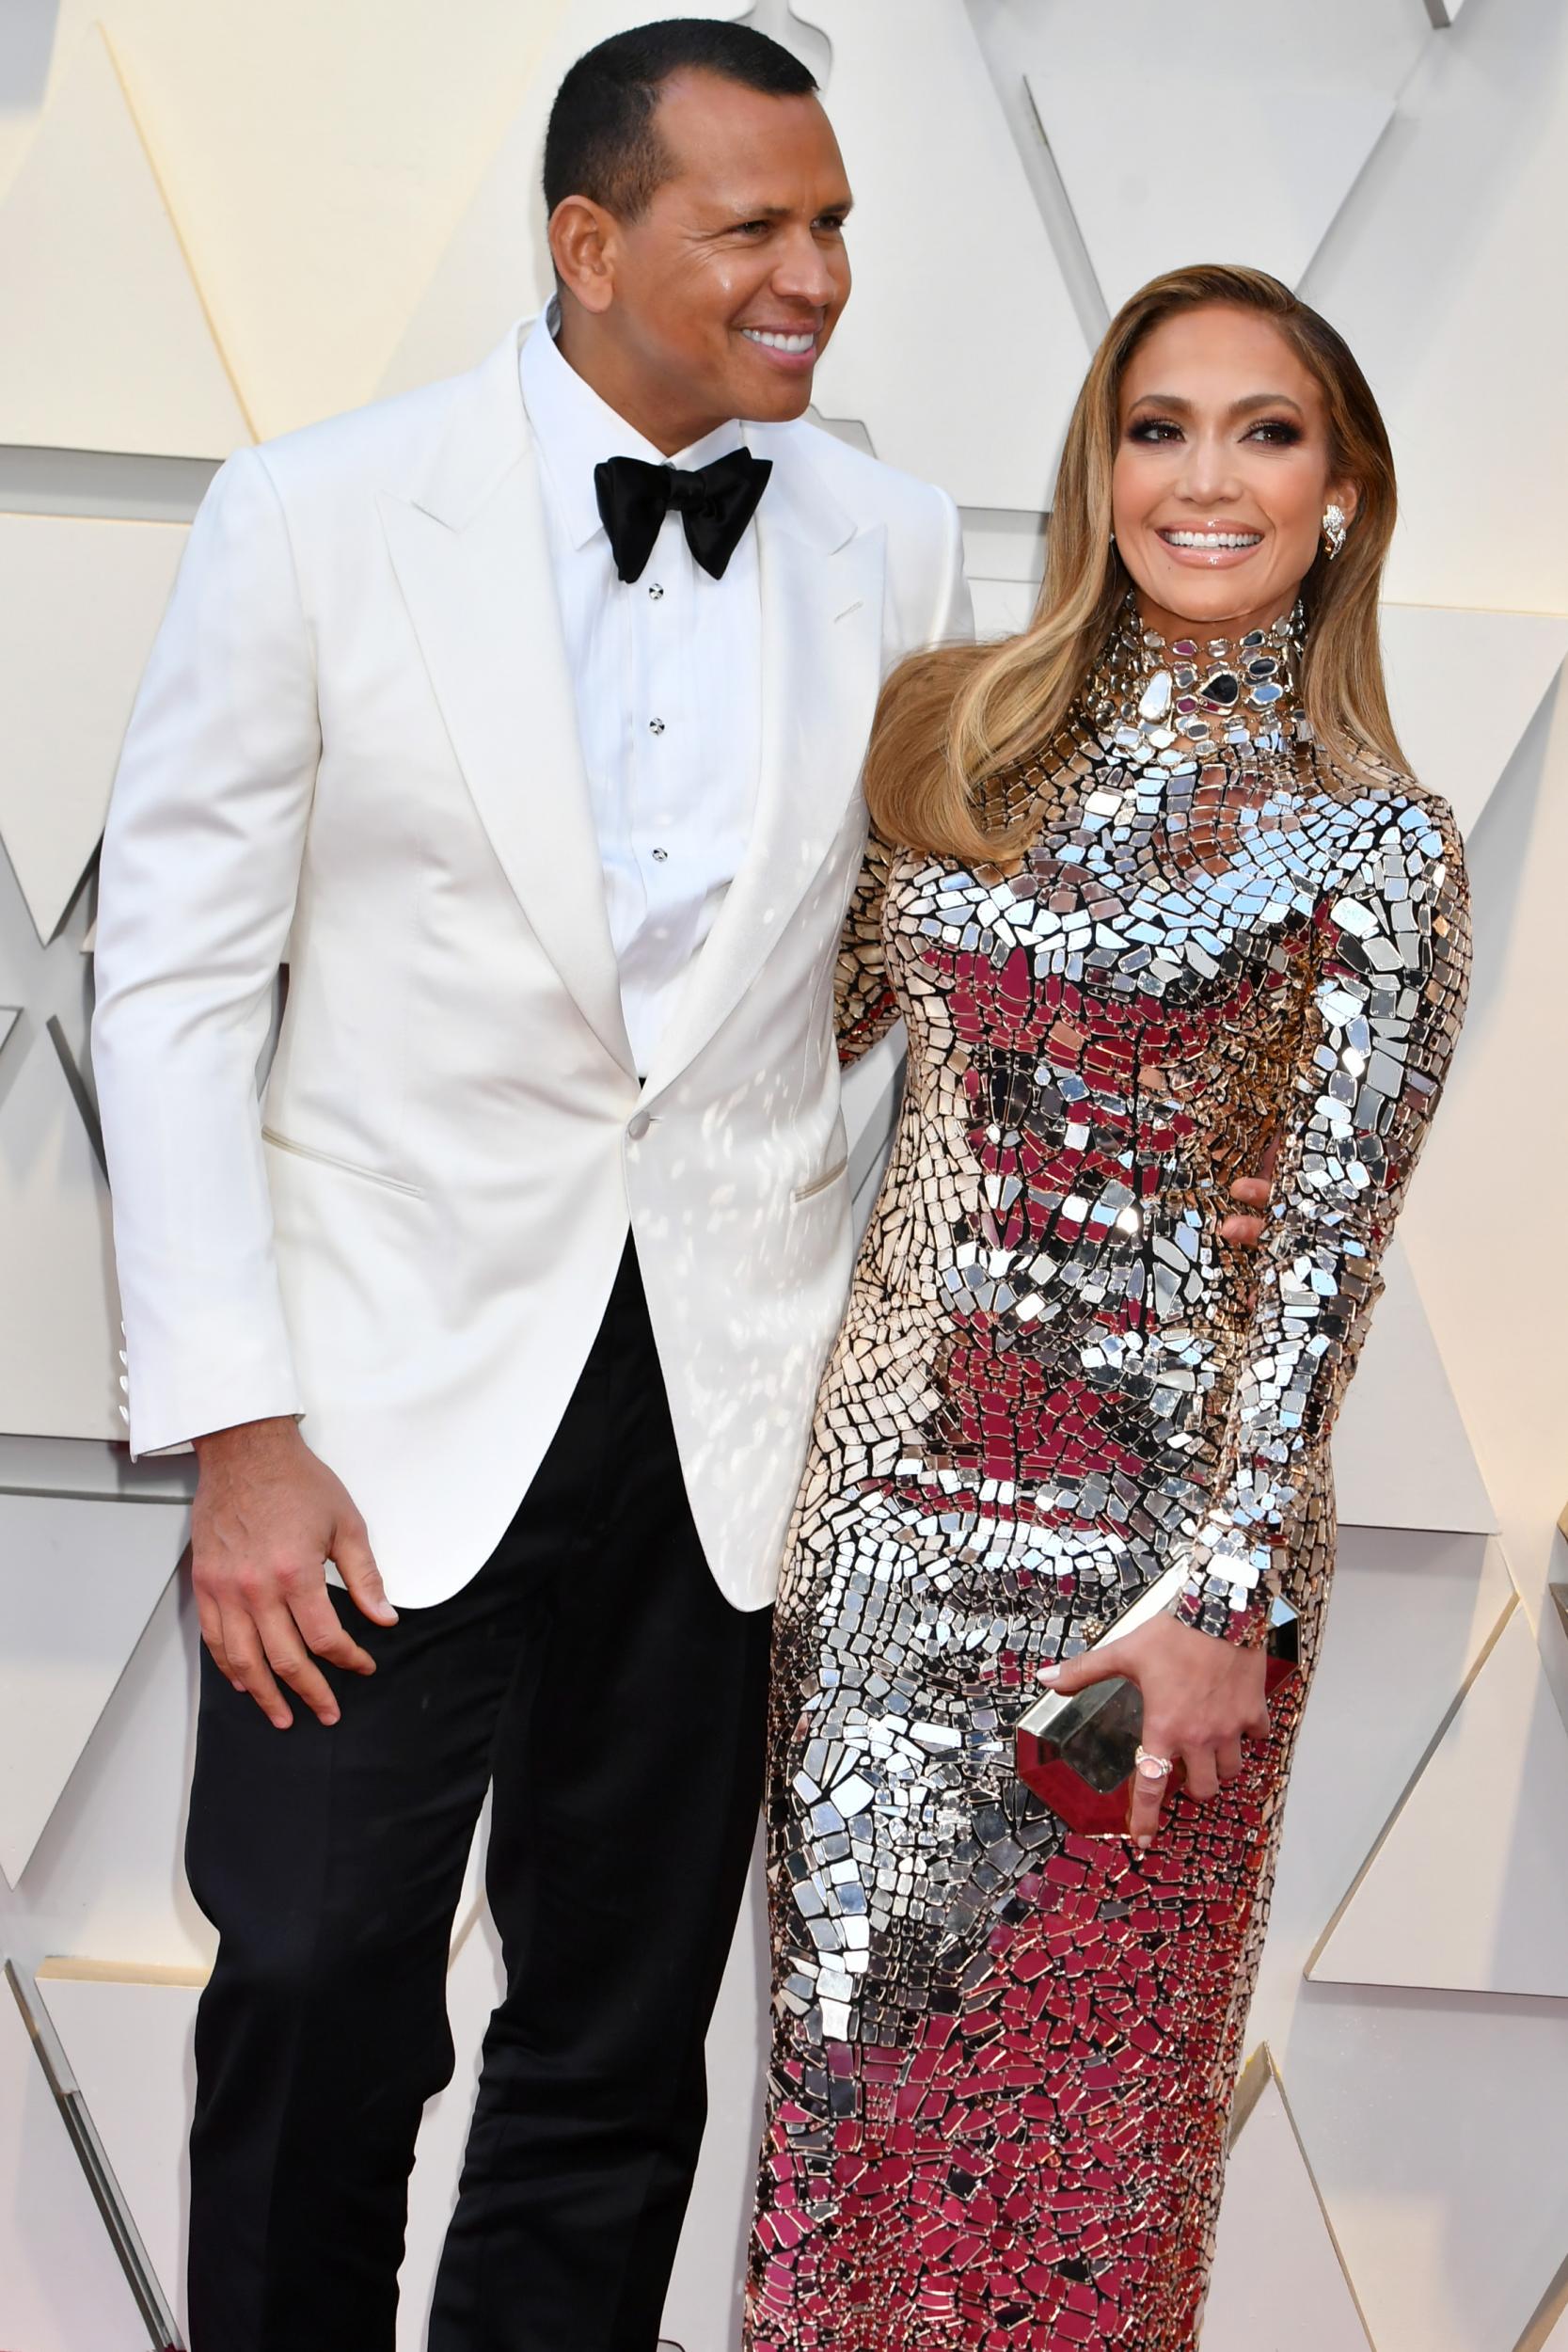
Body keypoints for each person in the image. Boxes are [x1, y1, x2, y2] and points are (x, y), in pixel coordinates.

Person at [90, 22, 971, 2350]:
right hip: (365, 1433)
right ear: (589, 245)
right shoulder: (313, 512)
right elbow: (172, 993)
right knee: (309, 1982)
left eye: (839, 223)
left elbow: (866, 972)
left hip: (723, 1414)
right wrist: (237, 1430)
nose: (820, 276)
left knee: (614, 2039)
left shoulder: (892, 540)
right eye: (759, 227)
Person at [746, 263, 1470, 2350]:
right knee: (846, 2122)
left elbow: (1332, 1248)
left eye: (1268, 431)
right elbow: (779, 1061)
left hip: (1159, 1588)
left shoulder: (1382, 843)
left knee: (1090, 2165)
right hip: (889, 1519)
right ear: (1100, 466)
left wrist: (1224, 1599)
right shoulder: (948, 734)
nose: (1208, 477)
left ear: (1342, 493)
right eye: (1161, 426)